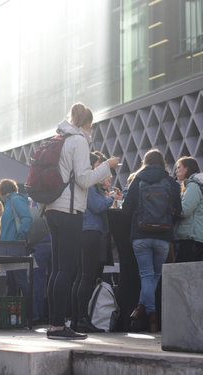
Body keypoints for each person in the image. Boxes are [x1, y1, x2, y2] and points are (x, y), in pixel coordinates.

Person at [45, 103, 120, 340]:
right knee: (66, 269)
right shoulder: (78, 140)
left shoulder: (59, 137)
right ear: (87, 123)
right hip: (69, 210)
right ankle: (58, 326)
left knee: (58, 269)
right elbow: (84, 179)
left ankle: (54, 323)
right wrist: (107, 166)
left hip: (52, 208)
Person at [122, 149, 181, 332]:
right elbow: (178, 210)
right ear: (163, 163)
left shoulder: (138, 180)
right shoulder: (171, 182)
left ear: (145, 162)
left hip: (140, 235)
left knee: (147, 276)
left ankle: (148, 312)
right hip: (163, 236)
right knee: (154, 276)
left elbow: (126, 208)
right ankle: (148, 312)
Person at [71, 152, 122, 333]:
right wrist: (111, 199)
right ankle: (82, 319)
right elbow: (97, 206)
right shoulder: (90, 184)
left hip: (83, 231)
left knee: (81, 277)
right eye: (100, 164)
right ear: (93, 165)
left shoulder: (85, 182)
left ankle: (77, 319)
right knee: (86, 277)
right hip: (91, 231)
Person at [173, 156, 203, 262]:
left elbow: (184, 210)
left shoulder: (192, 186)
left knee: (183, 272)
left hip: (190, 237)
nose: (176, 171)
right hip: (199, 237)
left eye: (179, 167)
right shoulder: (200, 186)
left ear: (187, 169)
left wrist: (172, 208)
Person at [0, 179, 32, 298]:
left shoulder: (15, 200)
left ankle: (30, 313)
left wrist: (20, 237)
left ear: (1, 192)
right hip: (10, 248)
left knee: (20, 280)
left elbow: (27, 218)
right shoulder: (10, 202)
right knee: (11, 282)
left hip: (16, 247)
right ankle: (15, 314)